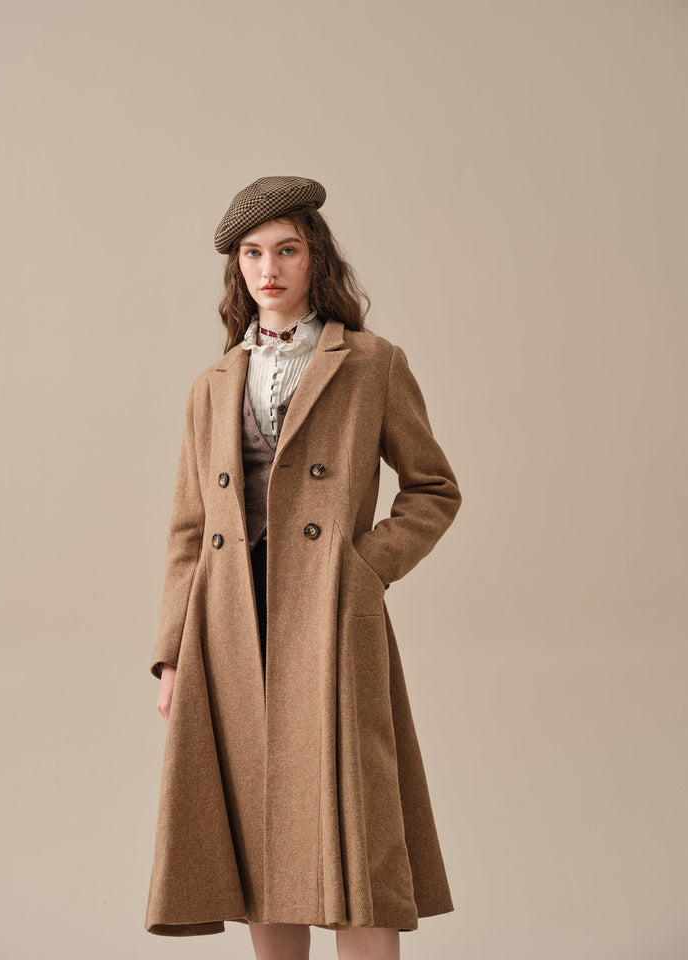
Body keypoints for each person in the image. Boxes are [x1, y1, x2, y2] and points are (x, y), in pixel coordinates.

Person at [144, 176, 462, 960]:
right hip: (229, 625)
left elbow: (433, 488)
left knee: (355, 833)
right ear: (237, 269)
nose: (269, 268)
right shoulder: (212, 385)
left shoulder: (371, 363)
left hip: (328, 618)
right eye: (253, 254)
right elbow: (189, 530)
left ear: (314, 258)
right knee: (258, 836)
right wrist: (172, 655)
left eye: (286, 250)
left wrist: (365, 567)